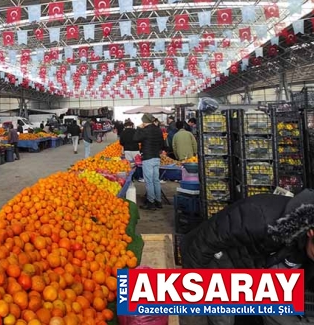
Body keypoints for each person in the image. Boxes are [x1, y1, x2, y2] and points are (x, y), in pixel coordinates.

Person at [182, 189, 314, 325]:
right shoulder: (261, 218)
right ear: (311, 232)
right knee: (222, 319)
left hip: (256, 262)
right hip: (215, 255)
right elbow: (200, 245)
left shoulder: (304, 240)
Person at [133, 114, 165, 210]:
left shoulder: (144, 130)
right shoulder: (158, 129)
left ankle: (151, 202)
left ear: (144, 121)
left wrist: (138, 128)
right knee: (156, 180)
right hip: (156, 157)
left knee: (149, 181)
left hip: (148, 157)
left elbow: (135, 139)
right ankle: (158, 201)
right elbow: (162, 144)